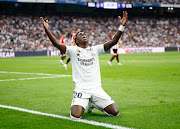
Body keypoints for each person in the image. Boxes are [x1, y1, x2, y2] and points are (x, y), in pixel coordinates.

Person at [40, 11, 128, 119]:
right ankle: (88, 101)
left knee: (115, 112)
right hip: (81, 88)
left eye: (84, 34)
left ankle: (94, 103)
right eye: (80, 35)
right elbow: (57, 44)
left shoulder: (95, 49)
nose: (83, 35)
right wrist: (47, 30)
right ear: (76, 41)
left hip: (96, 88)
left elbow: (114, 41)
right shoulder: (72, 50)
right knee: (75, 116)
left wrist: (122, 26)